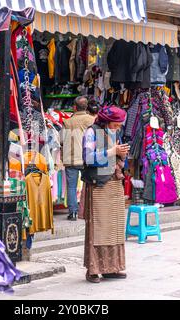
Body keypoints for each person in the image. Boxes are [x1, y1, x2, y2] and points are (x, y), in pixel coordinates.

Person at [82, 105, 129, 283]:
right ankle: (93, 270)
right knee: (99, 228)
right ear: (106, 121)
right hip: (99, 185)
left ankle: (112, 268)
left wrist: (121, 155)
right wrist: (112, 151)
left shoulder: (114, 133)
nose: (118, 129)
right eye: (115, 125)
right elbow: (88, 158)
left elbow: (116, 157)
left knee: (114, 228)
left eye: (119, 126)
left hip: (114, 184)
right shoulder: (92, 132)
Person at [61, 96, 95, 221]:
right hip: (87, 158)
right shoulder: (92, 120)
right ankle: (87, 210)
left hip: (71, 159)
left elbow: (61, 140)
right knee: (89, 185)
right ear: (86, 107)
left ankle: (73, 213)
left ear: (74, 107)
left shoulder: (67, 122)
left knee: (71, 186)